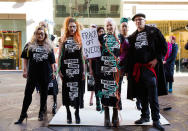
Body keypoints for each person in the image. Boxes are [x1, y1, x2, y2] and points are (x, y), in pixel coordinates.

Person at [124, 13, 167, 131]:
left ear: (145, 20)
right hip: (138, 69)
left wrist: (157, 59)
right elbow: (129, 55)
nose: (138, 21)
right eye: (136, 20)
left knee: (153, 95)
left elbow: (164, 46)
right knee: (141, 94)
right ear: (134, 22)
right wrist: (128, 70)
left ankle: (156, 120)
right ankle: (145, 116)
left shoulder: (154, 32)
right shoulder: (132, 37)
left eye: (140, 19)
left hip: (150, 68)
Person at [15, 26, 55, 124]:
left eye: (42, 34)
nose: (40, 35)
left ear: (45, 35)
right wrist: (25, 70)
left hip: (45, 73)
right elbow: (25, 58)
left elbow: (52, 61)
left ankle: (41, 112)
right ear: (35, 34)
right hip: (32, 74)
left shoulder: (49, 46)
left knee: (44, 94)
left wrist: (53, 72)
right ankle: (23, 114)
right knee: (28, 94)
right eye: (38, 33)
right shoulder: (29, 45)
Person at [58, 17, 84, 124]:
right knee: (67, 91)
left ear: (76, 27)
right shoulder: (63, 39)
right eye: (70, 26)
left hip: (77, 69)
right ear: (67, 27)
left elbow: (83, 56)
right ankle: (68, 113)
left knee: (77, 91)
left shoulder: (80, 39)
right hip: (66, 69)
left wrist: (84, 71)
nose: (72, 28)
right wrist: (59, 70)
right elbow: (59, 55)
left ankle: (77, 113)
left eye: (74, 26)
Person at [98, 18, 121, 127]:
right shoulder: (102, 37)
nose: (109, 27)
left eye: (110, 25)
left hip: (116, 71)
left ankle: (115, 114)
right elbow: (92, 48)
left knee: (116, 91)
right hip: (104, 70)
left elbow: (125, 52)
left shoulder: (120, 38)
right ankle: (106, 114)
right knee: (106, 91)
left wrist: (122, 59)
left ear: (114, 26)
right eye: (107, 26)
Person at [39, 21, 58, 115]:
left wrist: (54, 67)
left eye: (44, 26)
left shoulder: (51, 37)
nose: (43, 27)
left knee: (53, 85)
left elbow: (53, 49)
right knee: (43, 88)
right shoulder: (38, 37)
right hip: (41, 65)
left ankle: (54, 103)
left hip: (51, 62)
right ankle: (44, 105)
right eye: (41, 26)